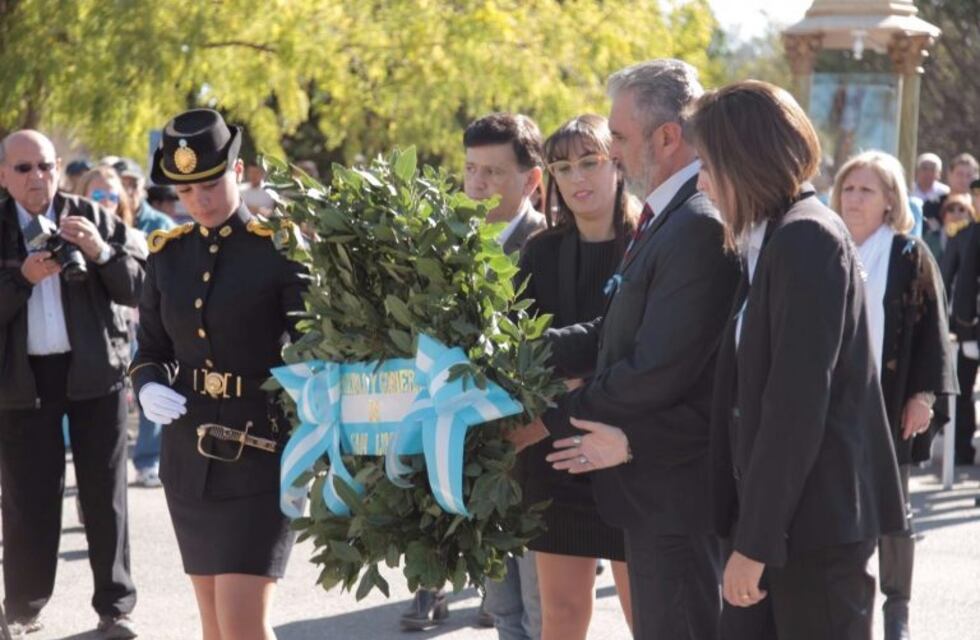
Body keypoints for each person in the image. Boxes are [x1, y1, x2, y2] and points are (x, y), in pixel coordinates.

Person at [519, 59, 740, 640]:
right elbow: (614, 329)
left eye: (616, 138)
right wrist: (509, 357)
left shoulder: (695, 222)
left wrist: (553, 418)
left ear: (667, 136)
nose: (611, 151)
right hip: (642, 482)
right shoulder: (670, 213)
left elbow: (655, 367)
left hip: (671, 489)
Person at [686, 80, 906, 640]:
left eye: (708, 164)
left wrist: (755, 545)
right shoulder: (775, 235)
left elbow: (795, 409)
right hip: (781, 527)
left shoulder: (806, 239)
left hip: (810, 534)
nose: (701, 180)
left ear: (746, 160)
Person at [129, 108, 307, 640]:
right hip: (188, 454)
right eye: (186, 191)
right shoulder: (167, 256)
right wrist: (148, 385)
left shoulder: (276, 249)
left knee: (242, 626)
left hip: (259, 449)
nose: (200, 200)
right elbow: (152, 348)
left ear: (238, 170)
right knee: (213, 626)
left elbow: (315, 346)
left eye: (210, 183)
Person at [0, 130, 146, 638]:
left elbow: (139, 287)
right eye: (23, 169)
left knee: (106, 496)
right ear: (3, 175)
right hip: (22, 382)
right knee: (28, 500)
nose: (36, 177)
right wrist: (22, 279)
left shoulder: (89, 214)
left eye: (44, 166)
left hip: (94, 373)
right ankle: (22, 607)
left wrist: (103, 252)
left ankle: (116, 608)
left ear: (57, 166)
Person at [516, 114, 637, 639]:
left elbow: (648, 351)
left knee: (648, 619)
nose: (578, 178)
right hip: (553, 452)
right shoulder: (540, 251)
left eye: (590, 162)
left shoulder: (648, 243)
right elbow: (517, 355)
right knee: (560, 616)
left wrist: (581, 384)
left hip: (632, 452)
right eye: (563, 167)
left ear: (617, 164)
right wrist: (560, 395)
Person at [831, 150, 957, 640]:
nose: (854, 198)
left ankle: (897, 607)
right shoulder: (826, 247)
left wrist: (923, 395)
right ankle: (847, 597)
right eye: (848, 188)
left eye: (866, 190)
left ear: (890, 201)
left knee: (893, 505)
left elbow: (932, 327)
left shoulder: (909, 254)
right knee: (841, 502)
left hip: (889, 399)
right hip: (832, 402)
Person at [112, 158, 177, 488]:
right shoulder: (101, 216)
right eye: (121, 183)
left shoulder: (160, 222)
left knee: (151, 380)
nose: (128, 191)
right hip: (112, 320)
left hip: (148, 318)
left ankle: (148, 459)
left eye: (133, 184)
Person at [947, 193, 980, 465]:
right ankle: (962, 447)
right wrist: (964, 327)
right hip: (971, 327)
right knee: (963, 390)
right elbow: (963, 283)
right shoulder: (968, 234)